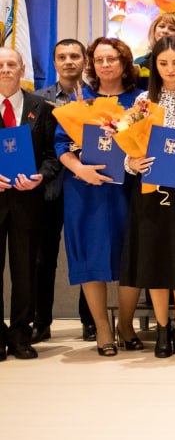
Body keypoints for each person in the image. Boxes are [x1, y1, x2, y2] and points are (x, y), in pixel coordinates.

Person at [119, 38, 175, 358]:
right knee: (155, 258)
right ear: (154, 67)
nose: (170, 69)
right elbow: (129, 148)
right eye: (163, 64)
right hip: (151, 188)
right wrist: (132, 163)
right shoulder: (143, 101)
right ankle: (161, 329)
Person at [54, 37, 145, 356]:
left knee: (130, 254)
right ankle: (103, 329)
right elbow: (61, 144)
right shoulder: (80, 99)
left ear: (125, 62)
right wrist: (80, 168)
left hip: (128, 187)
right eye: (99, 60)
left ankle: (126, 325)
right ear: (92, 65)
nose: (105, 65)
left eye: (112, 59)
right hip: (86, 188)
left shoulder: (139, 99)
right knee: (91, 256)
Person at [32, 39, 95, 343]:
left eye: (74, 56)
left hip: (87, 188)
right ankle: (41, 321)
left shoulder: (97, 98)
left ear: (84, 60)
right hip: (48, 190)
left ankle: (90, 321)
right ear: (55, 62)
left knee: (86, 254)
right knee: (43, 258)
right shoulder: (37, 100)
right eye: (62, 57)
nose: (69, 61)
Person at [0, 48, 59, 360]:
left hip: (28, 201)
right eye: (0, 65)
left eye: (12, 64)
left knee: (25, 270)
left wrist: (40, 177)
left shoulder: (41, 107)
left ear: (22, 69)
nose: (5, 69)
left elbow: (52, 156)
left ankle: (21, 334)